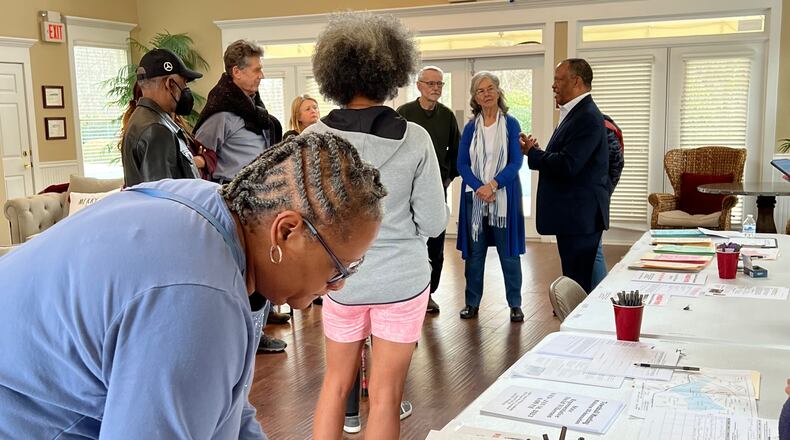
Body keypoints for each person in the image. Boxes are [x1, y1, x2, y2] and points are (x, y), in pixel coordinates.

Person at [0, 132, 385, 439]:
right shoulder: (197, 297)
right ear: (286, 231)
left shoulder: (210, 205)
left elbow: (223, 405)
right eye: (339, 267)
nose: (336, 286)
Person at [308, 12, 447, 440]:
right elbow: (435, 221)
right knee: (386, 397)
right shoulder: (417, 139)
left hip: (342, 281)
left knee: (334, 387)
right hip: (402, 282)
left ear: (335, 76)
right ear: (391, 73)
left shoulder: (311, 139)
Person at [195, 39, 292, 349]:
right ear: (236, 72)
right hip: (234, 202)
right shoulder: (221, 111)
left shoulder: (253, 104)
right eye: (256, 70)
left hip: (261, 198)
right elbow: (202, 158)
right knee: (246, 271)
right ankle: (248, 337)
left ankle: (257, 328)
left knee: (262, 268)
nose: (261, 75)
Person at [520, 58, 609, 294]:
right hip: (573, 217)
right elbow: (566, 157)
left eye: (558, 80)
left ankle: (581, 327)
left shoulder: (587, 116)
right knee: (574, 278)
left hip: (579, 217)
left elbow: (569, 164)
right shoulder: (575, 113)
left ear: (576, 81)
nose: (553, 86)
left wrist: (534, 153)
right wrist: (539, 153)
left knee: (578, 283)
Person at [456, 71, 525, 323]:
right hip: (474, 198)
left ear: (498, 92)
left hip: (503, 198)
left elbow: (516, 161)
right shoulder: (470, 127)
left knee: (508, 254)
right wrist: (479, 187)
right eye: (480, 90)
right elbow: (462, 164)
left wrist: (493, 184)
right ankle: (471, 303)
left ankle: (515, 304)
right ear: (475, 97)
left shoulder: (512, 124)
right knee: (475, 255)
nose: (486, 94)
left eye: (490, 88)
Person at [397, 66, 460, 314]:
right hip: (406, 190)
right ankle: (406, 293)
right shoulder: (404, 113)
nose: (436, 88)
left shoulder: (447, 116)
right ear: (419, 86)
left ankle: (429, 294)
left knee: (436, 243)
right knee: (410, 242)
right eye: (431, 83)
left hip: (435, 188)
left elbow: (455, 152)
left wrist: (446, 179)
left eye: (440, 84)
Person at [121, 48, 202, 187]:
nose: (185, 90)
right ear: (170, 84)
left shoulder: (141, 119)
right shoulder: (157, 129)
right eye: (184, 83)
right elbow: (163, 197)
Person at [120, 81, 216, 181]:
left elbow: (210, 155)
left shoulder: (175, 126)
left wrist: (192, 161)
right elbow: (161, 182)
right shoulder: (154, 130)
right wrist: (190, 162)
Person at [590, 115, 624, 290]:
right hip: (586, 200)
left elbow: (616, 163)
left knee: (595, 252)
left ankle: (601, 296)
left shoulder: (601, 126)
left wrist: (606, 190)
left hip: (594, 199)